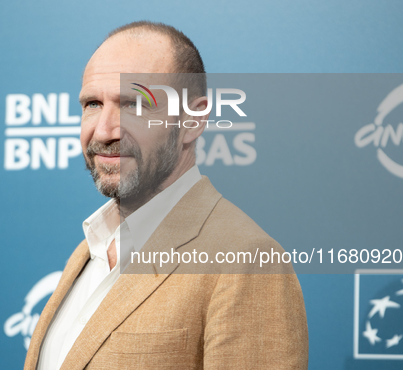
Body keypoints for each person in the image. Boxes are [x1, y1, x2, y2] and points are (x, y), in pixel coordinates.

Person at [23, 21, 308, 370]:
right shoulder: (87, 252)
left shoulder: (245, 261)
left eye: (133, 104)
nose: (104, 130)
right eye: (93, 104)